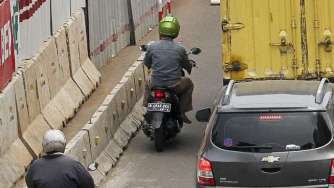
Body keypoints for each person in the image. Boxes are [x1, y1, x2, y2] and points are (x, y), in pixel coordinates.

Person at [143, 16, 194, 124]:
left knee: (147, 81)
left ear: (161, 30)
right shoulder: (180, 49)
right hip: (174, 85)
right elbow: (186, 65)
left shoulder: (152, 47)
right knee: (189, 83)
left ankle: (147, 107)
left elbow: (147, 63)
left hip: (155, 84)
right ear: (176, 31)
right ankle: (182, 112)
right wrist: (189, 67)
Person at [25, 129, 94, 188]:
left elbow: (29, 183)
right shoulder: (74, 165)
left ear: (44, 146)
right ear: (64, 144)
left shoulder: (35, 166)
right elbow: (89, 184)